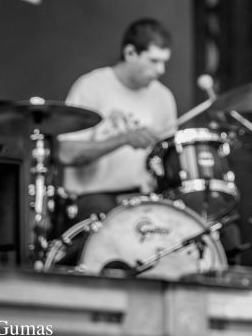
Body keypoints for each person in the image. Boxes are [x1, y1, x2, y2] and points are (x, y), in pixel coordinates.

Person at [57, 18, 178, 223]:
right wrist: (124, 139)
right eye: (154, 61)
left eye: (164, 62)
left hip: (142, 197)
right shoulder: (91, 86)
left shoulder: (163, 97)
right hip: (92, 198)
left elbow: (170, 159)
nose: (161, 70)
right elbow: (68, 154)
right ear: (130, 53)